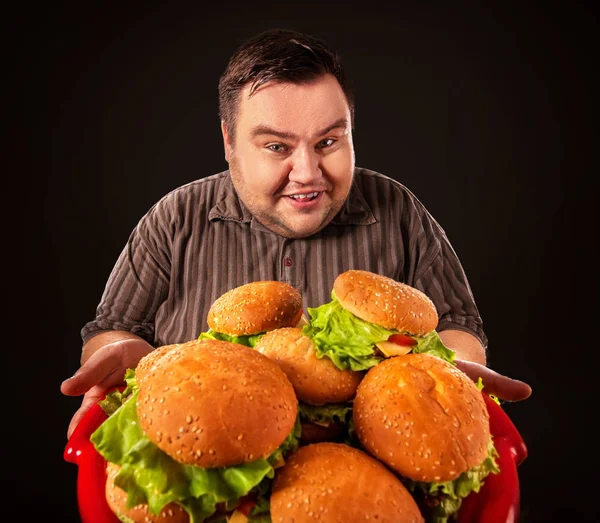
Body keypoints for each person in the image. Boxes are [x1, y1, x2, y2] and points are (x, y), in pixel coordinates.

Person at [61, 28, 531, 439]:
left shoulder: (400, 212)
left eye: (328, 141)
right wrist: (123, 357)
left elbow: (458, 325)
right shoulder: (173, 219)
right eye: (276, 146)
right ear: (228, 141)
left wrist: (444, 371)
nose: (307, 173)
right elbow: (112, 331)